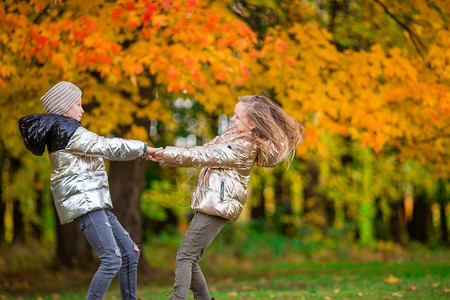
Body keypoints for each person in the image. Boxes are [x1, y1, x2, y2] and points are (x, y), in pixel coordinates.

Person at [147, 95, 303, 300]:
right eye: (233, 115)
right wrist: (164, 153)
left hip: (217, 205)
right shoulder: (234, 136)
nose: (232, 119)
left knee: (185, 256)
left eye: (237, 117)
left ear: (252, 123)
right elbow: (203, 149)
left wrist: (164, 154)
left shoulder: (243, 146)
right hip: (211, 203)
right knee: (190, 258)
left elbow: (202, 157)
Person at [18, 81, 152, 300]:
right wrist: (144, 149)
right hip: (87, 204)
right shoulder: (67, 130)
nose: (82, 110)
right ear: (64, 106)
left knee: (130, 253)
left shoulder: (67, 130)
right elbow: (108, 147)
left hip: (95, 201)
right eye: (78, 104)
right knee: (112, 259)